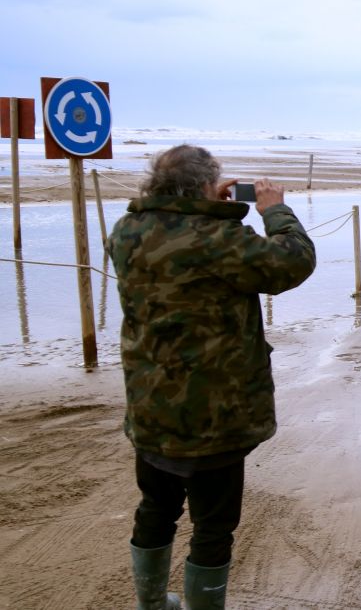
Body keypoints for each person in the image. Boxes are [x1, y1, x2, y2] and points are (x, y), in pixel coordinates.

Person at [106, 144, 316, 609]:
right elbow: (293, 261)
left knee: (156, 509)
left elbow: (179, 239)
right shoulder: (218, 239)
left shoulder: (126, 231)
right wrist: (274, 210)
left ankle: (152, 604)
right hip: (214, 414)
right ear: (204, 185)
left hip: (151, 406)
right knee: (214, 525)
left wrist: (207, 206)